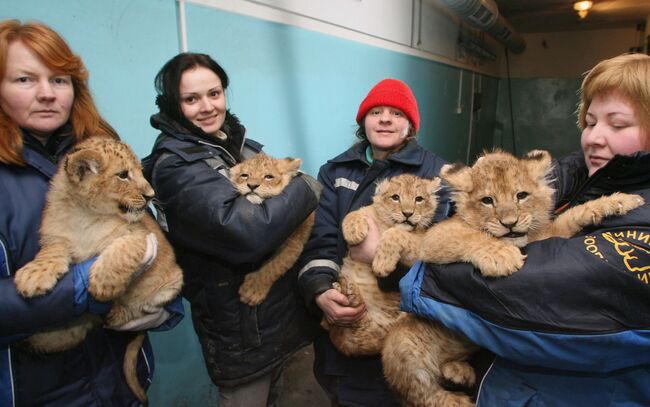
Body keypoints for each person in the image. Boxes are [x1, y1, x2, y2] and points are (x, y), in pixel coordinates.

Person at [401, 53, 650, 406]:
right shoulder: (588, 173)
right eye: (590, 122)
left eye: (618, 125)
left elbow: (527, 290)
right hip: (505, 385)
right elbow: (541, 205)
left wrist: (425, 273)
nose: (594, 137)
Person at [0, 20, 183, 407]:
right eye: (24, 80)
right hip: (38, 392)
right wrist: (84, 286)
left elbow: (144, 228)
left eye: (60, 80)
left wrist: (162, 298)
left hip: (118, 380)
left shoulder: (104, 147)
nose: (48, 94)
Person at [142, 52, 320, 407]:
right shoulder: (175, 165)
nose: (207, 106)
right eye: (191, 99)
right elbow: (247, 233)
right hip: (241, 337)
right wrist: (308, 187)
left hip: (286, 321)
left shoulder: (240, 146)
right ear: (173, 105)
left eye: (214, 93)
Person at [297, 78, 449, 406]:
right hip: (345, 329)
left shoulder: (437, 175)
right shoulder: (334, 171)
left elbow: (443, 258)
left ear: (410, 125)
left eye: (396, 113)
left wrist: (380, 259)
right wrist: (320, 291)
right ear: (363, 121)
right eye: (375, 112)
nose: (384, 119)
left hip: (406, 330)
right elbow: (319, 241)